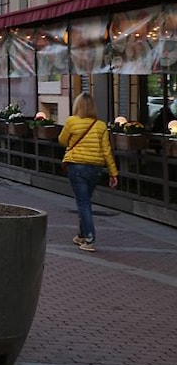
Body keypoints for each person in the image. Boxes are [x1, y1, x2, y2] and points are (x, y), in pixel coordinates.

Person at [58, 93, 119, 252]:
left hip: (77, 166)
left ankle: (90, 239)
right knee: (85, 201)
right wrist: (113, 173)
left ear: (77, 106)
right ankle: (82, 234)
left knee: (83, 203)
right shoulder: (100, 125)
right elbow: (106, 151)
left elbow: (62, 140)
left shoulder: (71, 121)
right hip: (95, 168)